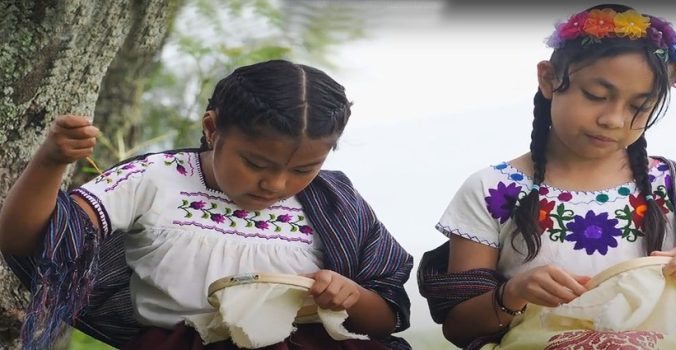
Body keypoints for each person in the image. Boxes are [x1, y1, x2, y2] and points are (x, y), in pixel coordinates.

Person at [0, 60, 413, 349]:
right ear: (213, 129)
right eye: (254, 163)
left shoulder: (335, 203)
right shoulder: (153, 179)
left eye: (305, 168)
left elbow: (388, 318)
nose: (276, 183)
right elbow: (25, 242)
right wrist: (50, 162)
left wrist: (351, 296)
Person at [417, 4, 676, 349]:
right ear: (548, 79)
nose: (614, 119)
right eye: (596, 95)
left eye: (639, 106)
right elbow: (459, 328)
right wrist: (512, 294)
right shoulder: (493, 189)